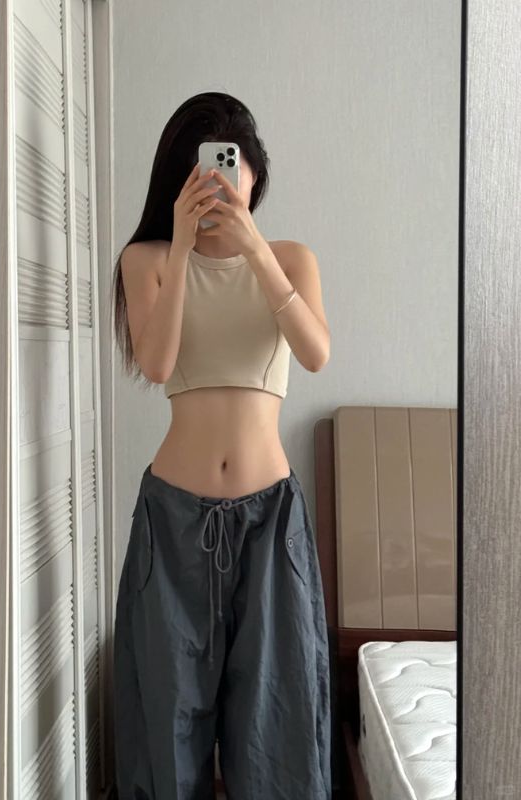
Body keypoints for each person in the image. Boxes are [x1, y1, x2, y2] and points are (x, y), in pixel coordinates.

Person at [111, 91, 332, 799]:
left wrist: (254, 250)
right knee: (165, 725)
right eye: (202, 172)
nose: (218, 185)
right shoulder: (146, 259)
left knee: (278, 729)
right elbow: (157, 364)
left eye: (229, 168)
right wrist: (181, 247)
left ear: (253, 175)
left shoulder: (291, 258)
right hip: (173, 522)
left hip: (271, 522)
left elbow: (316, 353)